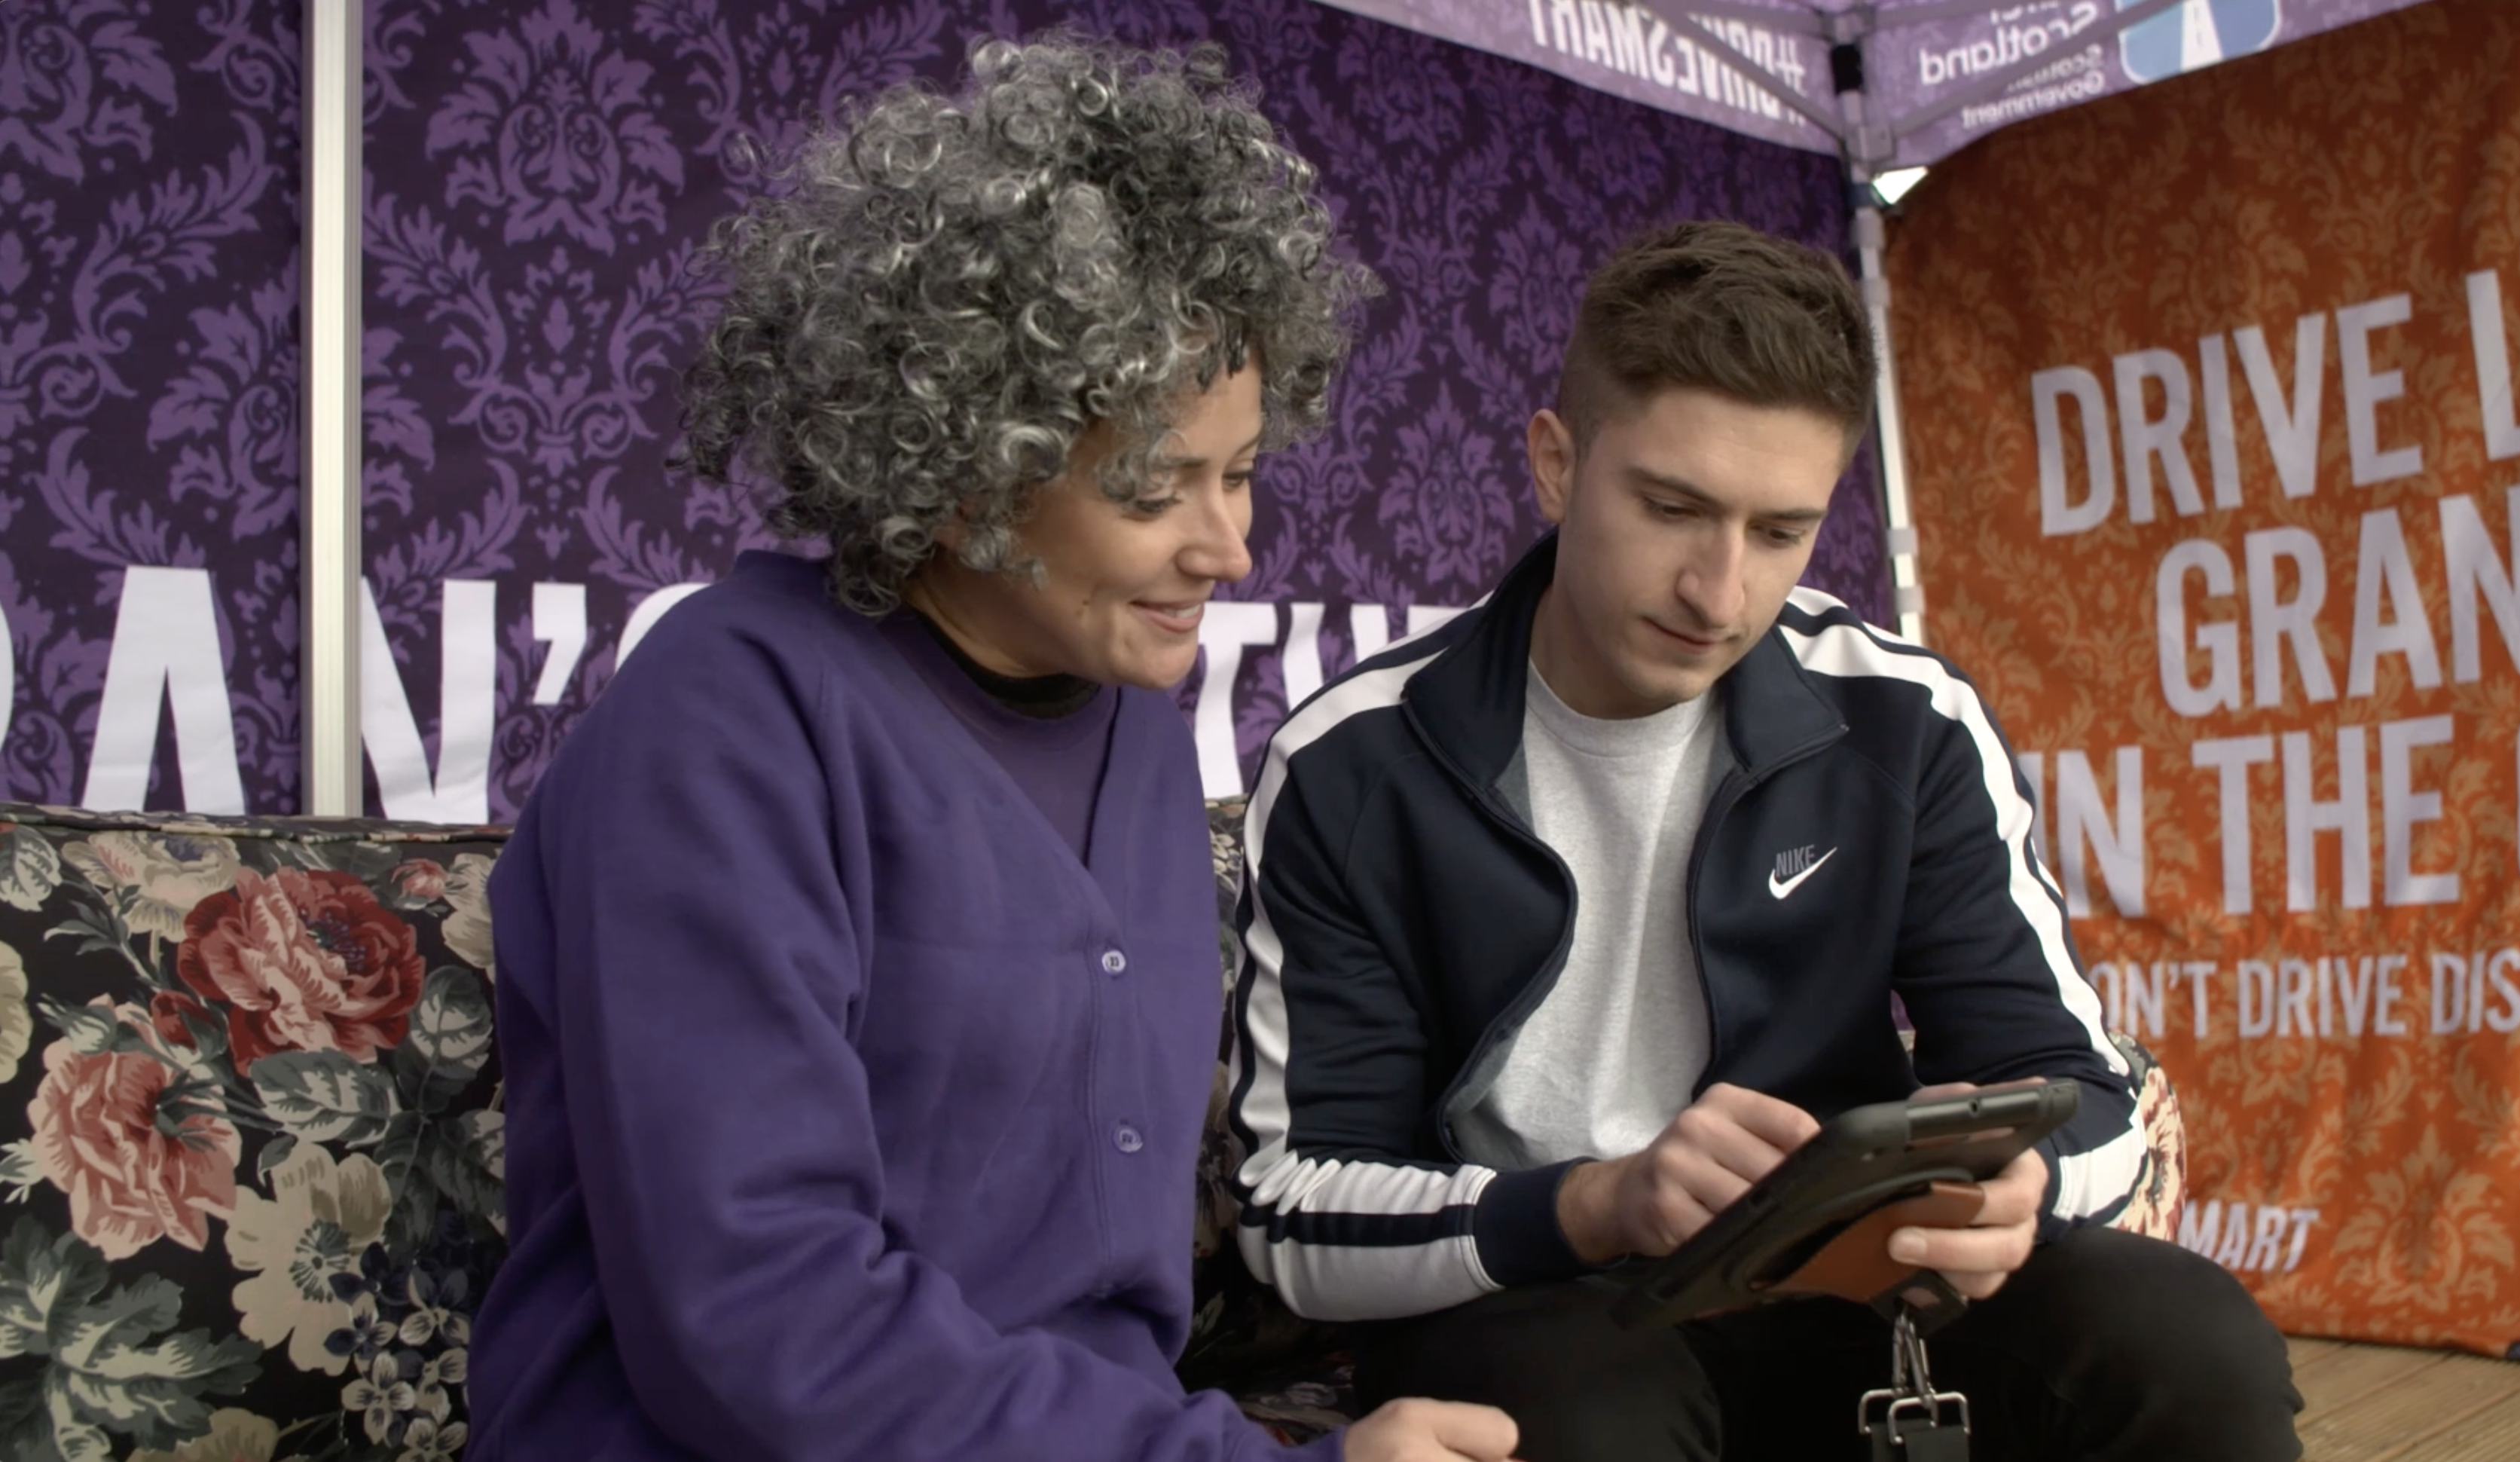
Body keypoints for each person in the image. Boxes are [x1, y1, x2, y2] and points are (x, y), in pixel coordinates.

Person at [467, 36, 1520, 1462]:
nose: (1232, 546)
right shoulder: (725, 720)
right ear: (966, 468)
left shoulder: (1142, 750)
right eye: (1157, 487)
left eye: (1244, 471)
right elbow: (762, 1322)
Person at [1225, 220, 2303, 1461]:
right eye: (1673, 508)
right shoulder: (1355, 762)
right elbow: (1294, 1216)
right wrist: (1596, 1201)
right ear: (1554, 463)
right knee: (1586, 1421)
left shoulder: (1902, 718)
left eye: (1781, 532)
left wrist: (2031, 1187)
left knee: (2184, 1338)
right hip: (1546, 1303)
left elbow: (2091, 1096)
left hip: (1852, 1286)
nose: (1720, 592)